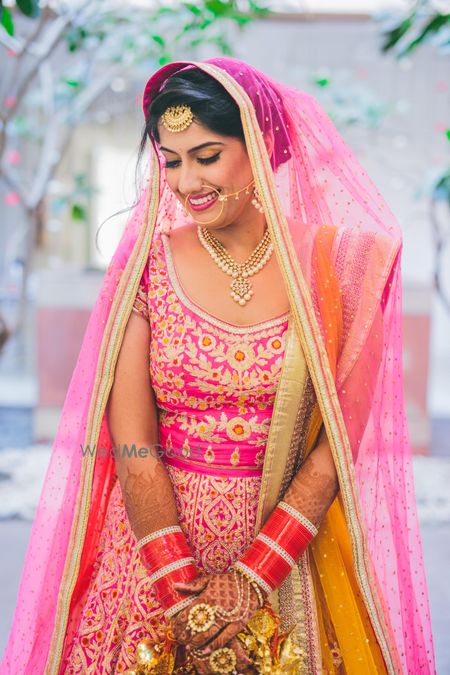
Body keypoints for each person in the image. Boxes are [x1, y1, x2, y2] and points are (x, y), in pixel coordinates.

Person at [0, 57, 435, 675]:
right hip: (152, 552)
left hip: (284, 553)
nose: (185, 181)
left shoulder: (341, 269)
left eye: (206, 155)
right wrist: (182, 591)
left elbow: (340, 445)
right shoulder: (146, 265)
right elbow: (133, 444)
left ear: (257, 148)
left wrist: (252, 578)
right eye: (171, 159)